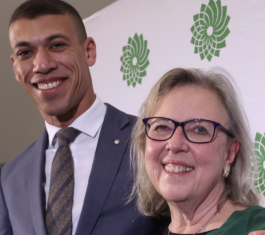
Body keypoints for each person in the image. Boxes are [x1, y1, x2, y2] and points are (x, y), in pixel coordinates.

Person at [0, 0, 160, 234]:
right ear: (15, 68)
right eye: (25, 52)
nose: (41, 65)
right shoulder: (9, 178)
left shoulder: (149, 141)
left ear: (89, 51)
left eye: (56, 45)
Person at [130, 67, 265, 235]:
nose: (174, 144)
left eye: (199, 130)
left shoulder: (257, 228)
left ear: (230, 152)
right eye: (162, 126)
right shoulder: (144, 230)